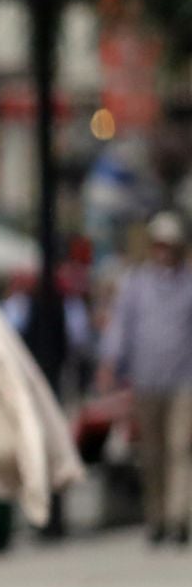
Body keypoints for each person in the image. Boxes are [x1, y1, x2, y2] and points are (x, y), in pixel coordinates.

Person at [101, 212, 192, 547]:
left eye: (170, 245)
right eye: (160, 245)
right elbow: (121, 326)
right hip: (146, 379)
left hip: (184, 380)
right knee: (152, 455)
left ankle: (179, 518)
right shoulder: (135, 283)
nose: (164, 251)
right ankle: (157, 518)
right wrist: (111, 362)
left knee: (180, 450)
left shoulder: (189, 284)